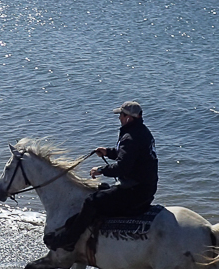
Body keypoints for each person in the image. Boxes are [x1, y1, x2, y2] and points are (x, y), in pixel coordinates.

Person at [44, 101, 159, 251]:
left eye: (121, 115)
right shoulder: (142, 131)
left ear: (128, 118)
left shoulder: (130, 137)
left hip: (135, 192)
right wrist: (108, 152)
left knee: (92, 201)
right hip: (146, 188)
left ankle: (69, 240)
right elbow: (129, 156)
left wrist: (100, 170)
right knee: (103, 190)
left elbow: (122, 167)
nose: (119, 118)